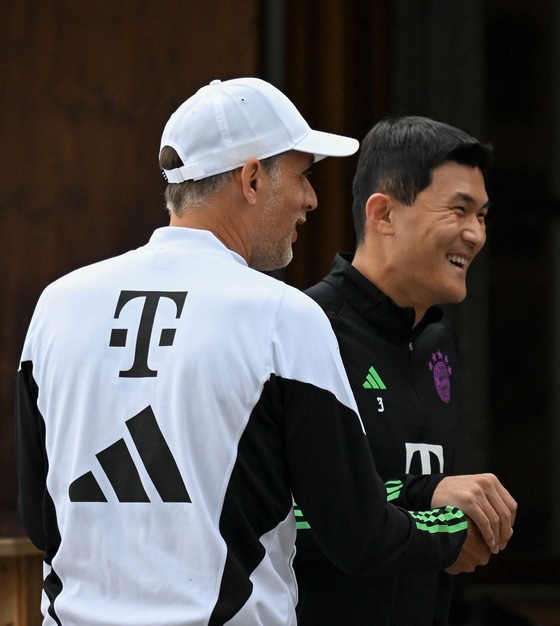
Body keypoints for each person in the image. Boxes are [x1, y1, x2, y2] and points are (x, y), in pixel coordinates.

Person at [16, 82, 490, 626]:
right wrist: (454, 529)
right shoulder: (282, 315)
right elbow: (356, 533)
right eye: (303, 175)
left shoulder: (58, 304)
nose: (312, 199)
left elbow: (42, 517)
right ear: (252, 178)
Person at [294, 116, 517, 626]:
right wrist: (428, 509)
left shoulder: (437, 341)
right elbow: (269, 516)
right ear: (383, 214)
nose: (475, 233)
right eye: (459, 210)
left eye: (482, 215)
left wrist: (457, 524)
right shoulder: (304, 330)